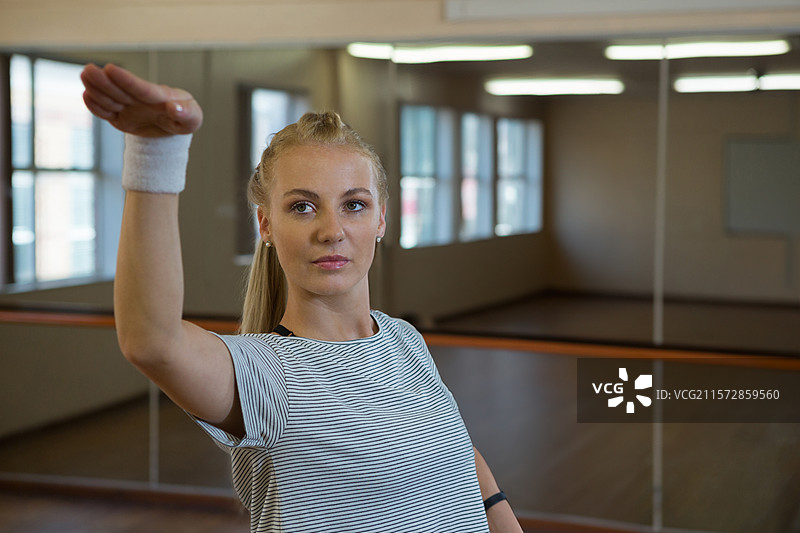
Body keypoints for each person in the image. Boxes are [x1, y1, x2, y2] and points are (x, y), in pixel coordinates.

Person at [80, 62, 523, 533]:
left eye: (354, 204)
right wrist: (155, 151)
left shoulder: (403, 339)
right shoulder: (269, 375)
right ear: (265, 224)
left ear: (381, 220)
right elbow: (152, 341)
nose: (331, 230)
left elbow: (455, 450)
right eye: (302, 206)